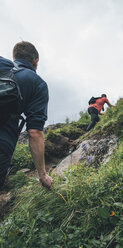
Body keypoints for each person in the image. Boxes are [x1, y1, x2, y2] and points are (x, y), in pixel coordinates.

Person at [0, 41, 53, 189]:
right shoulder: (37, 83)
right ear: (35, 61)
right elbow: (35, 132)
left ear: (14, 56)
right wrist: (42, 175)